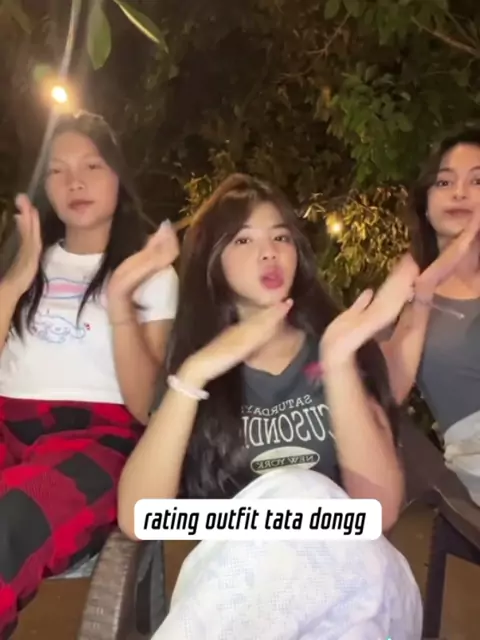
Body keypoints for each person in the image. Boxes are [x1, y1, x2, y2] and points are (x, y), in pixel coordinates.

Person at [118, 174, 422, 639]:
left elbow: (377, 516)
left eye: (281, 237)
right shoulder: (195, 372)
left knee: (300, 489)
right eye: (243, 240)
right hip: (240, 599)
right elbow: (140, 517)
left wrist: (338, 362)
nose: (269, 252)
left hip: (361, 586)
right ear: (212, 260)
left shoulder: (341, 347)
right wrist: (194, 375)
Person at [0, 111, 179, 637]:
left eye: (92, 166)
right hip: (8, 424)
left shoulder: (151, 271)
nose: (74, 182)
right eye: (57, 171)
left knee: (13, 516)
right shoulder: (26, 261)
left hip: (97, 437)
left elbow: (146, 404)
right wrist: (17, 276)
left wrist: (120, 298)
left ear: (118, 175)